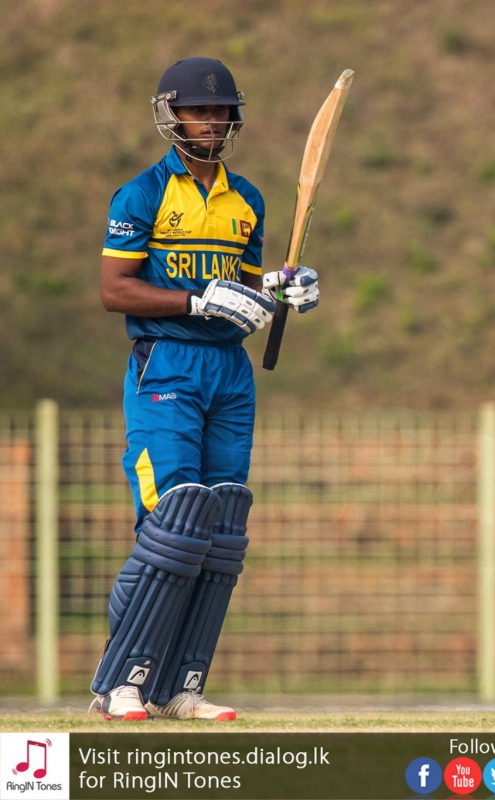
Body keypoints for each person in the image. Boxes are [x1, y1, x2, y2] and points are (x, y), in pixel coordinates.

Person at [91, 57, 321, 720]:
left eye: (220, 111)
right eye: (199, 110)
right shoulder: (141, 195)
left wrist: (281, 289)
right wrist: (194, 302)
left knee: (218, 529)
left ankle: (179, 686)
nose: (211, 122)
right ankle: (120, 683)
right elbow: (115, 290)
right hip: (166, 365)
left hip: (229, 372)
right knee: (172, 525)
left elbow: (244, 294)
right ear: (172, 116)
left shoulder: (247, 200)